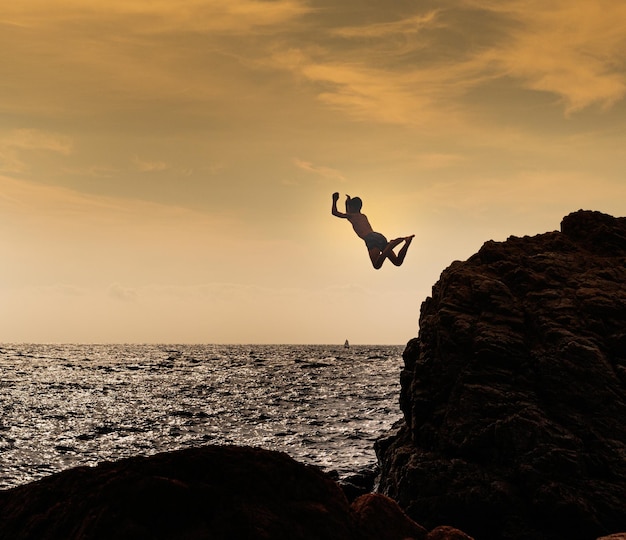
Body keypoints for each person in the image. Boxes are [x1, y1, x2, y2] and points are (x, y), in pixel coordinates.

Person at [331, 192, 414, 269]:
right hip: (378, 236)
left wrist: (334, 200)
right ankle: (407, 242)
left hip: (370, 238)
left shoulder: (352, 216)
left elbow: (335, 212)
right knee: (397, 262)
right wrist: (347, 202)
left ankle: (390, 245)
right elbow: (349, 211)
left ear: (351, 207)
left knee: (377, 265)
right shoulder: (362, 216)